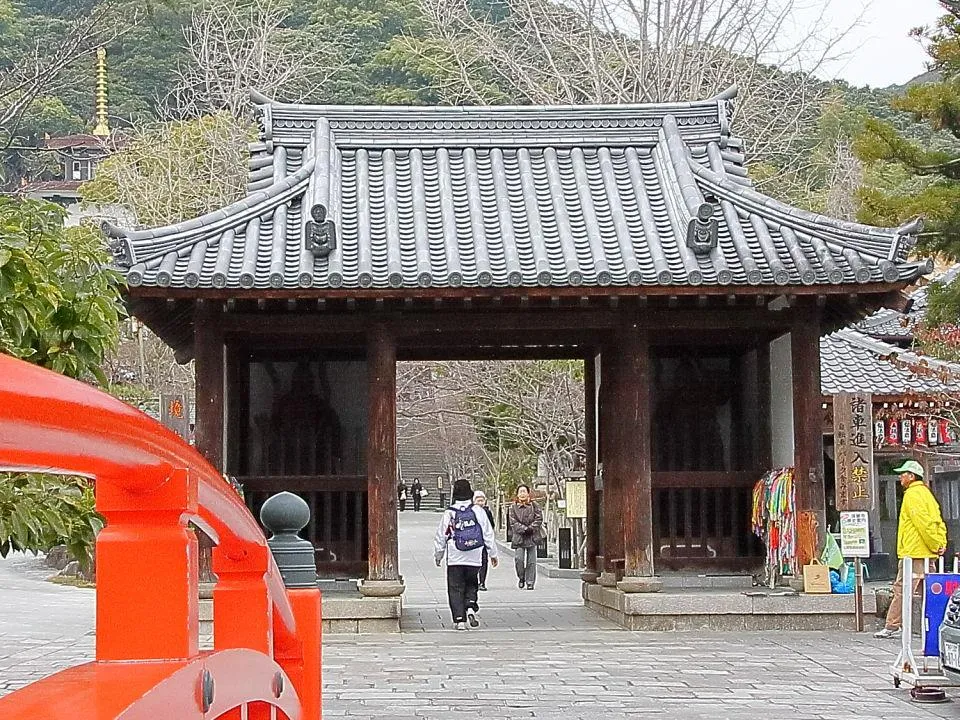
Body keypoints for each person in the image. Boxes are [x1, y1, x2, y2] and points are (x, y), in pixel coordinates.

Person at [875, 460, 947, 639]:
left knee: (902, 589)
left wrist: (935, 544)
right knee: (929, 592)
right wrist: (940, 543)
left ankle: (892, 625)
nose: (900, 476)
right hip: (925, 553)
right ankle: (932, 624)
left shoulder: (913, 495)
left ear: (912, 476)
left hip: (915, 553)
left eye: (903, 473)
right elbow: (937, 521)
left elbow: (923, 523)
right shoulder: (926, 494)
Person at [434, 478, 499, 630]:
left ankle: (459, 619)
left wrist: (439, 555)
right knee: (472, 583)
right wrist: (493, 554)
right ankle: (470, 605)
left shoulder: (450, 513)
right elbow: (487, 533)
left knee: (455, 587)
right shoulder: (478, 511)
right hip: (474, 555)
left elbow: (441, 536)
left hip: (455, 556)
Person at [508, 484, 543, 590]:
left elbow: (539, 518)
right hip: (519, 537)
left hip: (532, 536)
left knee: (531, 561)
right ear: (517, 494)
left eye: (524, 491)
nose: (522, 494)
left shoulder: (535, 505)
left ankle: (530, 582)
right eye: (520, 492)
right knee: (519, 559)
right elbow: (512, 522)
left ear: (528, 493)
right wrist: (524, 529)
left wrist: (531, 528)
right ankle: (521, 577)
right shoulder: (513, 507)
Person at [473, 490, 495, 591]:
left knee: (484, 561)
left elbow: (491, 526)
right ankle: (474, 582)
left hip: (484, 541)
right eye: (478, 500)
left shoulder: (487, 512)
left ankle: (482, 582)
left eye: (482, 500)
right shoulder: (470, 512)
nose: (480, 503)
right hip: (473, 542)